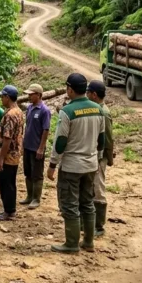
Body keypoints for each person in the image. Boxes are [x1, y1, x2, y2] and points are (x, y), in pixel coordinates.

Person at [47, 73, 106, 254]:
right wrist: (97, 158)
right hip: (90, 165)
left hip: (72, 166)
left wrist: (52, 164)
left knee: (70, 204)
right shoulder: (98, 109)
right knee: (87, 203)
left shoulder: (67, 111)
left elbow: (60, 142)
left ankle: (71, 243)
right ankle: (88, 241)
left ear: (70, 89)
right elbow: (101, 140)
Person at [86, 80, 114, 237]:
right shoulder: (97, 109)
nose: (86, 95)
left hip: (100, 156)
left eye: (88, 93)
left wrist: (106, 158)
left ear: (94, 95)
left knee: (98, 188)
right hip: (94, 155)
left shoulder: (103, 112)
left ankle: (99, 225)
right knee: (91, 188)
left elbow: (108, 138)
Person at [0, 85, 24, 221]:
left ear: (7, 97)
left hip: (8, 155)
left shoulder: (10, 115)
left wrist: (0, 158)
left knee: (5, 183)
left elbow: (7, 138)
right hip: (15, 154)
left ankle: (9, 211)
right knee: (11, 183)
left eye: (2, 96)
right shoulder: (18, 111)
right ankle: (10, 209)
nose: (1, 99)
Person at [21, 84, 51, 209]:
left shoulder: (44, 110)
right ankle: (29, 196)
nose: (29, 96)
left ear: (38, 95)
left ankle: (36, 198)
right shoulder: (29, 108)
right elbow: (27, 126)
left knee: (37, 174)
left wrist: (41, 148)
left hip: (36, 148)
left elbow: (46, 130)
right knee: (28, 172)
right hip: (27, 146)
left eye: (31, 94)